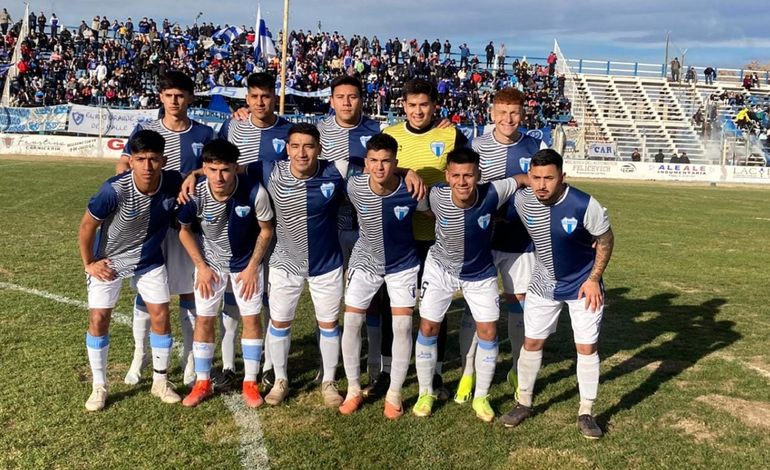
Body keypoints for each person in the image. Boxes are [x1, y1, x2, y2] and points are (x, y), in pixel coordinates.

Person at [499, 149, 614, 440]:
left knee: (586, 348)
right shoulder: (523, 200)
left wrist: (594, 279)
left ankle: (586, 411)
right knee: (532, 342)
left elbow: (606, 239)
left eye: (548, 178)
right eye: (535, 178)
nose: (541, 185)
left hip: (582, 286)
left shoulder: (584, 204)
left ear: (562, 177)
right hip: (542, 284)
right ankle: (523, 402)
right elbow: (490, 203)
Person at [412, 147, 525, 422]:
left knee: (488, 331)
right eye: (457, 175)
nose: (462, 182)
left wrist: (547, 182)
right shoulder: (436, 195)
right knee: (428, 327)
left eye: (469, 175)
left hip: (480, 273)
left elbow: (523, 179)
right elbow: (422, 207)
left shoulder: (493, 192)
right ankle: (425, 392)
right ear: (447, 176)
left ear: (479, 175)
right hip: (440, 269)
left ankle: (481, 397)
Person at [119, 71, 216, 387]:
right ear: (160, 97)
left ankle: (190, 359)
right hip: (149, 225)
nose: (174, 101)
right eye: (168, 95)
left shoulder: (204, 132)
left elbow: (216, 166)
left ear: (189, 98)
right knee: (146, 294)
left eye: (180, 95)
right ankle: (139, 358)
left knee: (190, 290)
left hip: (188, 225)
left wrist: (196, 172)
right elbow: (123, 165)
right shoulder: (144, 130)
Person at [78, 130, 183, 411]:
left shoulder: (173, 182)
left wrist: (194, 177)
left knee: (161, 313)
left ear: (164, 160)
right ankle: (99, 386)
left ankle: (160, 381)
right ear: (131, 161)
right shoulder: (113, 190)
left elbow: (201, 175)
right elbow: (87, 227)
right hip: (108, 262)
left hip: (148, 260)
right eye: (140, 159)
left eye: (153, 159)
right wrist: (89, 263)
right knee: (99, 318)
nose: (147, 167)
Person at [456, 88, 545, 405]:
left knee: (518, 304)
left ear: (523, 115)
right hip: (481, 240)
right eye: (502, 112)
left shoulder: (535, 146)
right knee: (473, 306)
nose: (509, 119)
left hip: (520, 241)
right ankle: (467, 371)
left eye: (515, 113)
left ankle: (518, 370)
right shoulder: (477, 146)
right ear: (492, 113)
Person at [383, 78, 468, 400]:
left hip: (437, 238)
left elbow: (466, 172)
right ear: (403, 105)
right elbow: (378, 169)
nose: (418, 111)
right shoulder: (390, 135)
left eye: (424, 105)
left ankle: (434, 374)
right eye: (412, 105)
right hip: (397, 236)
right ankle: (390, 371)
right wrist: (406, 172)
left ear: (435, 106)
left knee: (436, 309)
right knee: (395, 307)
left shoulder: (450, 134)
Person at [177, 139, 274, 408]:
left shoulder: (255, 192)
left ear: (235, 168)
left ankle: (250, 382)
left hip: (246, 266)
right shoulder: (194, 194)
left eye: (225, 170)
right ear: (204, 169)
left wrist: (254, 267)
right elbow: (184, 230)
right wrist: (201, 267)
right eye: (212, 169)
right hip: (210, 267)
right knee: (204, 321)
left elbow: (266, 229)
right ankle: (203, 382)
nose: (219, 177)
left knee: (251, 319)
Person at [215, 72, 291, 390]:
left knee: (273, 299)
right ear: (246, 98)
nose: (260, 102)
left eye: (266, 96)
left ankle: (270, 367)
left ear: (275, 97)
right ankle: (231, 366)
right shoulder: (233, 126)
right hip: (241, 222)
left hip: (281, 226)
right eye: (254, 96)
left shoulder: (288, 131)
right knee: (235, 299)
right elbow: (215, 163)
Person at [339, 133, 423, 419]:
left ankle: (394, 393)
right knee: (351, 321)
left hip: (403, 265)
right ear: (366, 162)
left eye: (386, 161)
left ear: (395, 162)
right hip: (365, 261)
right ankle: (352, 389)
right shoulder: (354, 185)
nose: (379, 167)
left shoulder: (412, 191)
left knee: (401, 327)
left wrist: (409, 173)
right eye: (373, 160)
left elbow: (434, 210)